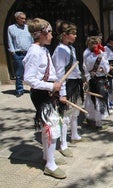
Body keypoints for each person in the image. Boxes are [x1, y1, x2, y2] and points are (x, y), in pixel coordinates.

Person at [23, 18, 66, 179]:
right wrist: (50, 86)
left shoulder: (43, 49)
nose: (52, 35)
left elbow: (48, 72)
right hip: (41, 94)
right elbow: (29, 79)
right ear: (40, 34)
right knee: (52, 126)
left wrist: (56, 84)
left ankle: (47, 156)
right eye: (49, 32)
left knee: (47, 126)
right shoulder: (34, 51)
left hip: (48, 92)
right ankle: (50, 165)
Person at [52, 20, 87, 158]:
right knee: (65, 115)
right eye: (73, 33)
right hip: (67, 85)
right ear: (65, 35)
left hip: (75, 83)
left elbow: (75, 69)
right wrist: (62, 93)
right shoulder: (60, 50)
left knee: (75, 112)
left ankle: (74, 135)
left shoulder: (70, 48)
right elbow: (60, 74)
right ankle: (63, 144)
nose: (76, 36)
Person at [83, 35, 110, 130]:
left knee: (92, 100)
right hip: (100, 80)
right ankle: (98, 123)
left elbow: (85, 68)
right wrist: (104, 69)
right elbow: (107, 69)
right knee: (100, 100)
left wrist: (87, 79)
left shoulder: (86, 54)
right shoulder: (100, 55)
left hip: (91, 79)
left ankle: (91, 120)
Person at [7, 11, 33, 97]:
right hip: (18, 54)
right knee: (19, 73)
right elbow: (10, 41)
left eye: (25, 18)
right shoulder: (11, 28)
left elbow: (32, 39)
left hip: (29, 53)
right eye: (22, 18)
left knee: (32, 71)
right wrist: (13, 52)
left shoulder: (27, 28)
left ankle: (34, 89)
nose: (24, 20)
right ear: (17, 19)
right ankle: (19, 90)